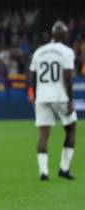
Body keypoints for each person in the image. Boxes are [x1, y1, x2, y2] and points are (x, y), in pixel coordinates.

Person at [28, 21, 77, 181]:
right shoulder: (67, 52)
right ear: (65, 35)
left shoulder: (39, 52)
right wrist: (70, 99)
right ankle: (64, 168)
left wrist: (35, 97)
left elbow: (33, 76)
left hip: (42, 96)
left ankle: (44, 172)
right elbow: (67, 76)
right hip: (60, 96)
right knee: (71, 129)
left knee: (43, 134)